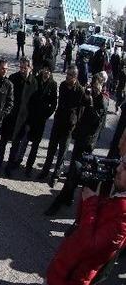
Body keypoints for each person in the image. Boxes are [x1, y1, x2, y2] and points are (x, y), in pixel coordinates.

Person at [46, 157, 126, 285]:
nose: (118, 169)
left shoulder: (123, 211)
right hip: (64, 268)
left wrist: (90, 202)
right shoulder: (118, 198)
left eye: (125, 167)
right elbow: (80, 222)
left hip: (70, 277)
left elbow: (88, 246)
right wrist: (90, 191)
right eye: (121, 163)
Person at [46, 73, 107, 216]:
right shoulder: (91, 96)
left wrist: (91, 104)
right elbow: (81, 111)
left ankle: (62, 199)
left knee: (76, 172)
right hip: (80, 138)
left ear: (101, 86)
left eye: (96, 86)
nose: (94, 89)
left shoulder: (102, 101)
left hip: (87, 143)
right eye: (93, 86)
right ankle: (68, 197)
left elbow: (96, 123)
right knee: (74, 171)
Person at [38, 66, 87, 186]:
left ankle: (55, 175)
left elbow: (81, 111)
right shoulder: (63, 86)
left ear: (75, 77)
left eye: (70, 75)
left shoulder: (80, 91)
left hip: (69, 126)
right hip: (58, 122)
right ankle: (45, 171)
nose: (67, 77)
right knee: (51, 149)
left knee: (62, 152)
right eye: (67, 74)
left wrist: (75, 123)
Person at [0, 57, 35, 175]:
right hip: (9, 118)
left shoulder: (34, 83)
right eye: (20, 67)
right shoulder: (13, 78)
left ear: (30, 68)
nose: (22, 70)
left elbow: (34, 105)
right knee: (2, 144)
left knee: (15, 147)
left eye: (25, 68)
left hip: (22, 121)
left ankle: (9, 168)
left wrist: (29, 122)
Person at [13, 65, 58, 177]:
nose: (46, 72)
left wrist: (47, 114)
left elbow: (53, 104)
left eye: (48, 70)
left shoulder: (53, 84)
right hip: (31, 116)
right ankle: (18, 160)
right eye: (45, 69)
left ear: (51, 72)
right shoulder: (36, 80)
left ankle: (29, 166)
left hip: (41, 119)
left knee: (35, 145)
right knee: (24, 140)